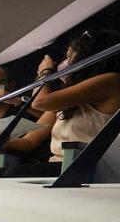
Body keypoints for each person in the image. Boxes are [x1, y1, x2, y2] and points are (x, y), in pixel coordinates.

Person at [30, 29, 120, 166]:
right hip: (59, 163)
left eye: (71, 57)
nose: (66, 63)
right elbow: (30, 139)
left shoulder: (111, 81)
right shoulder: (71, 98)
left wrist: (44, 73)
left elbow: (40, 102)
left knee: (12, 175)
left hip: (83, 166)